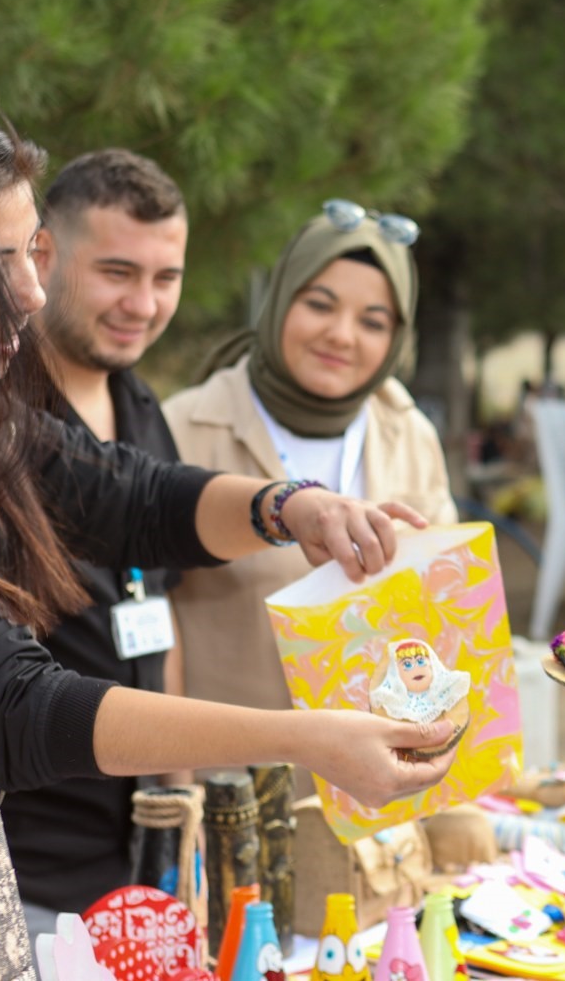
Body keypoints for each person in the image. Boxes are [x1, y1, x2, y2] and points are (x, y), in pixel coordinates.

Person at [0, 97, 459, 817]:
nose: (32, 293)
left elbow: (129, 496)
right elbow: (1, 701)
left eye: (33, 253)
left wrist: (291, 506)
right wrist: (299, 738)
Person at [162, 201, 457, 762]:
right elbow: (156, 634)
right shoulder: (183, 427)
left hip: (381, 794)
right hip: (233, 788)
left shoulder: (410, 432)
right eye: (319, 305)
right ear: (279, 302)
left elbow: (443, 612)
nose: (341, 335)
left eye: (373, 321)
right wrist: (175, 791)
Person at [0, 148, 189, 932]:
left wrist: (182, 792)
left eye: (165, 278)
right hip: (22, 865)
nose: (141, 304)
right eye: (117, 271)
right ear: (42, 254)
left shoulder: (144, 409)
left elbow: (162, 608)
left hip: (140, 858)